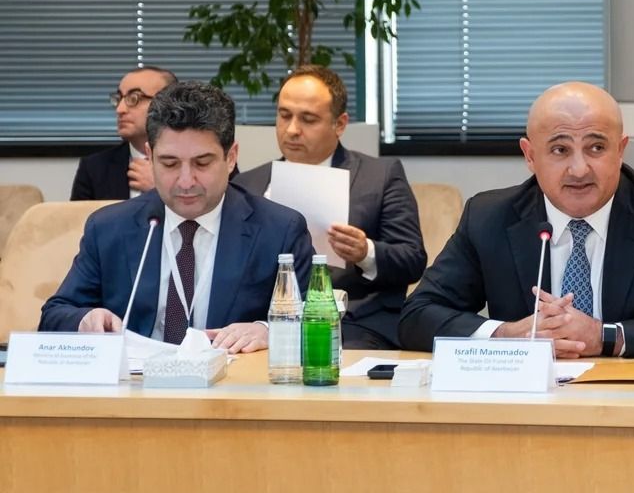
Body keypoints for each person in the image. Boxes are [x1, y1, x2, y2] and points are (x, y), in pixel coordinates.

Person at [398, 81, 634, 358]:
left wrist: (605, 336)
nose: (579, 169)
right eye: (560, 150)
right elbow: (417, 315)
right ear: (530, 155)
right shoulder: (489, 217)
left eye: (596, 147)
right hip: (527, 402)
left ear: (620, 150)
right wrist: (507, 335)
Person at [41, 81, 314, 353]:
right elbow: (54, 315)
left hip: (229, 377)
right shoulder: (108, 228)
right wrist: (85, 320)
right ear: (150, 156)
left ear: (231, 157)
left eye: (202, 163)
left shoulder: (279, 230)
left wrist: (268, 330)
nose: (185, 181)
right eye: (169, 163)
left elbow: (317, 319)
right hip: (136, 377)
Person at [234, 65, 426, 349]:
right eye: (284, 115)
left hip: (353, 324)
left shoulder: (380, 176)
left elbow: (412, 260)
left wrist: (365, 253)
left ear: (340, 124)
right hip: (263, 322)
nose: (292, 130)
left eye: (308, 119)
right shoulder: (247, 184)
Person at [71, 66, 177, 201]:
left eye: (134, 99)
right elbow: (79, 215)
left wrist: (161, 189)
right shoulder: (94, 168)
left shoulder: (194, 161)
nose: (120, 109)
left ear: (169, 106)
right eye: (119, 98)